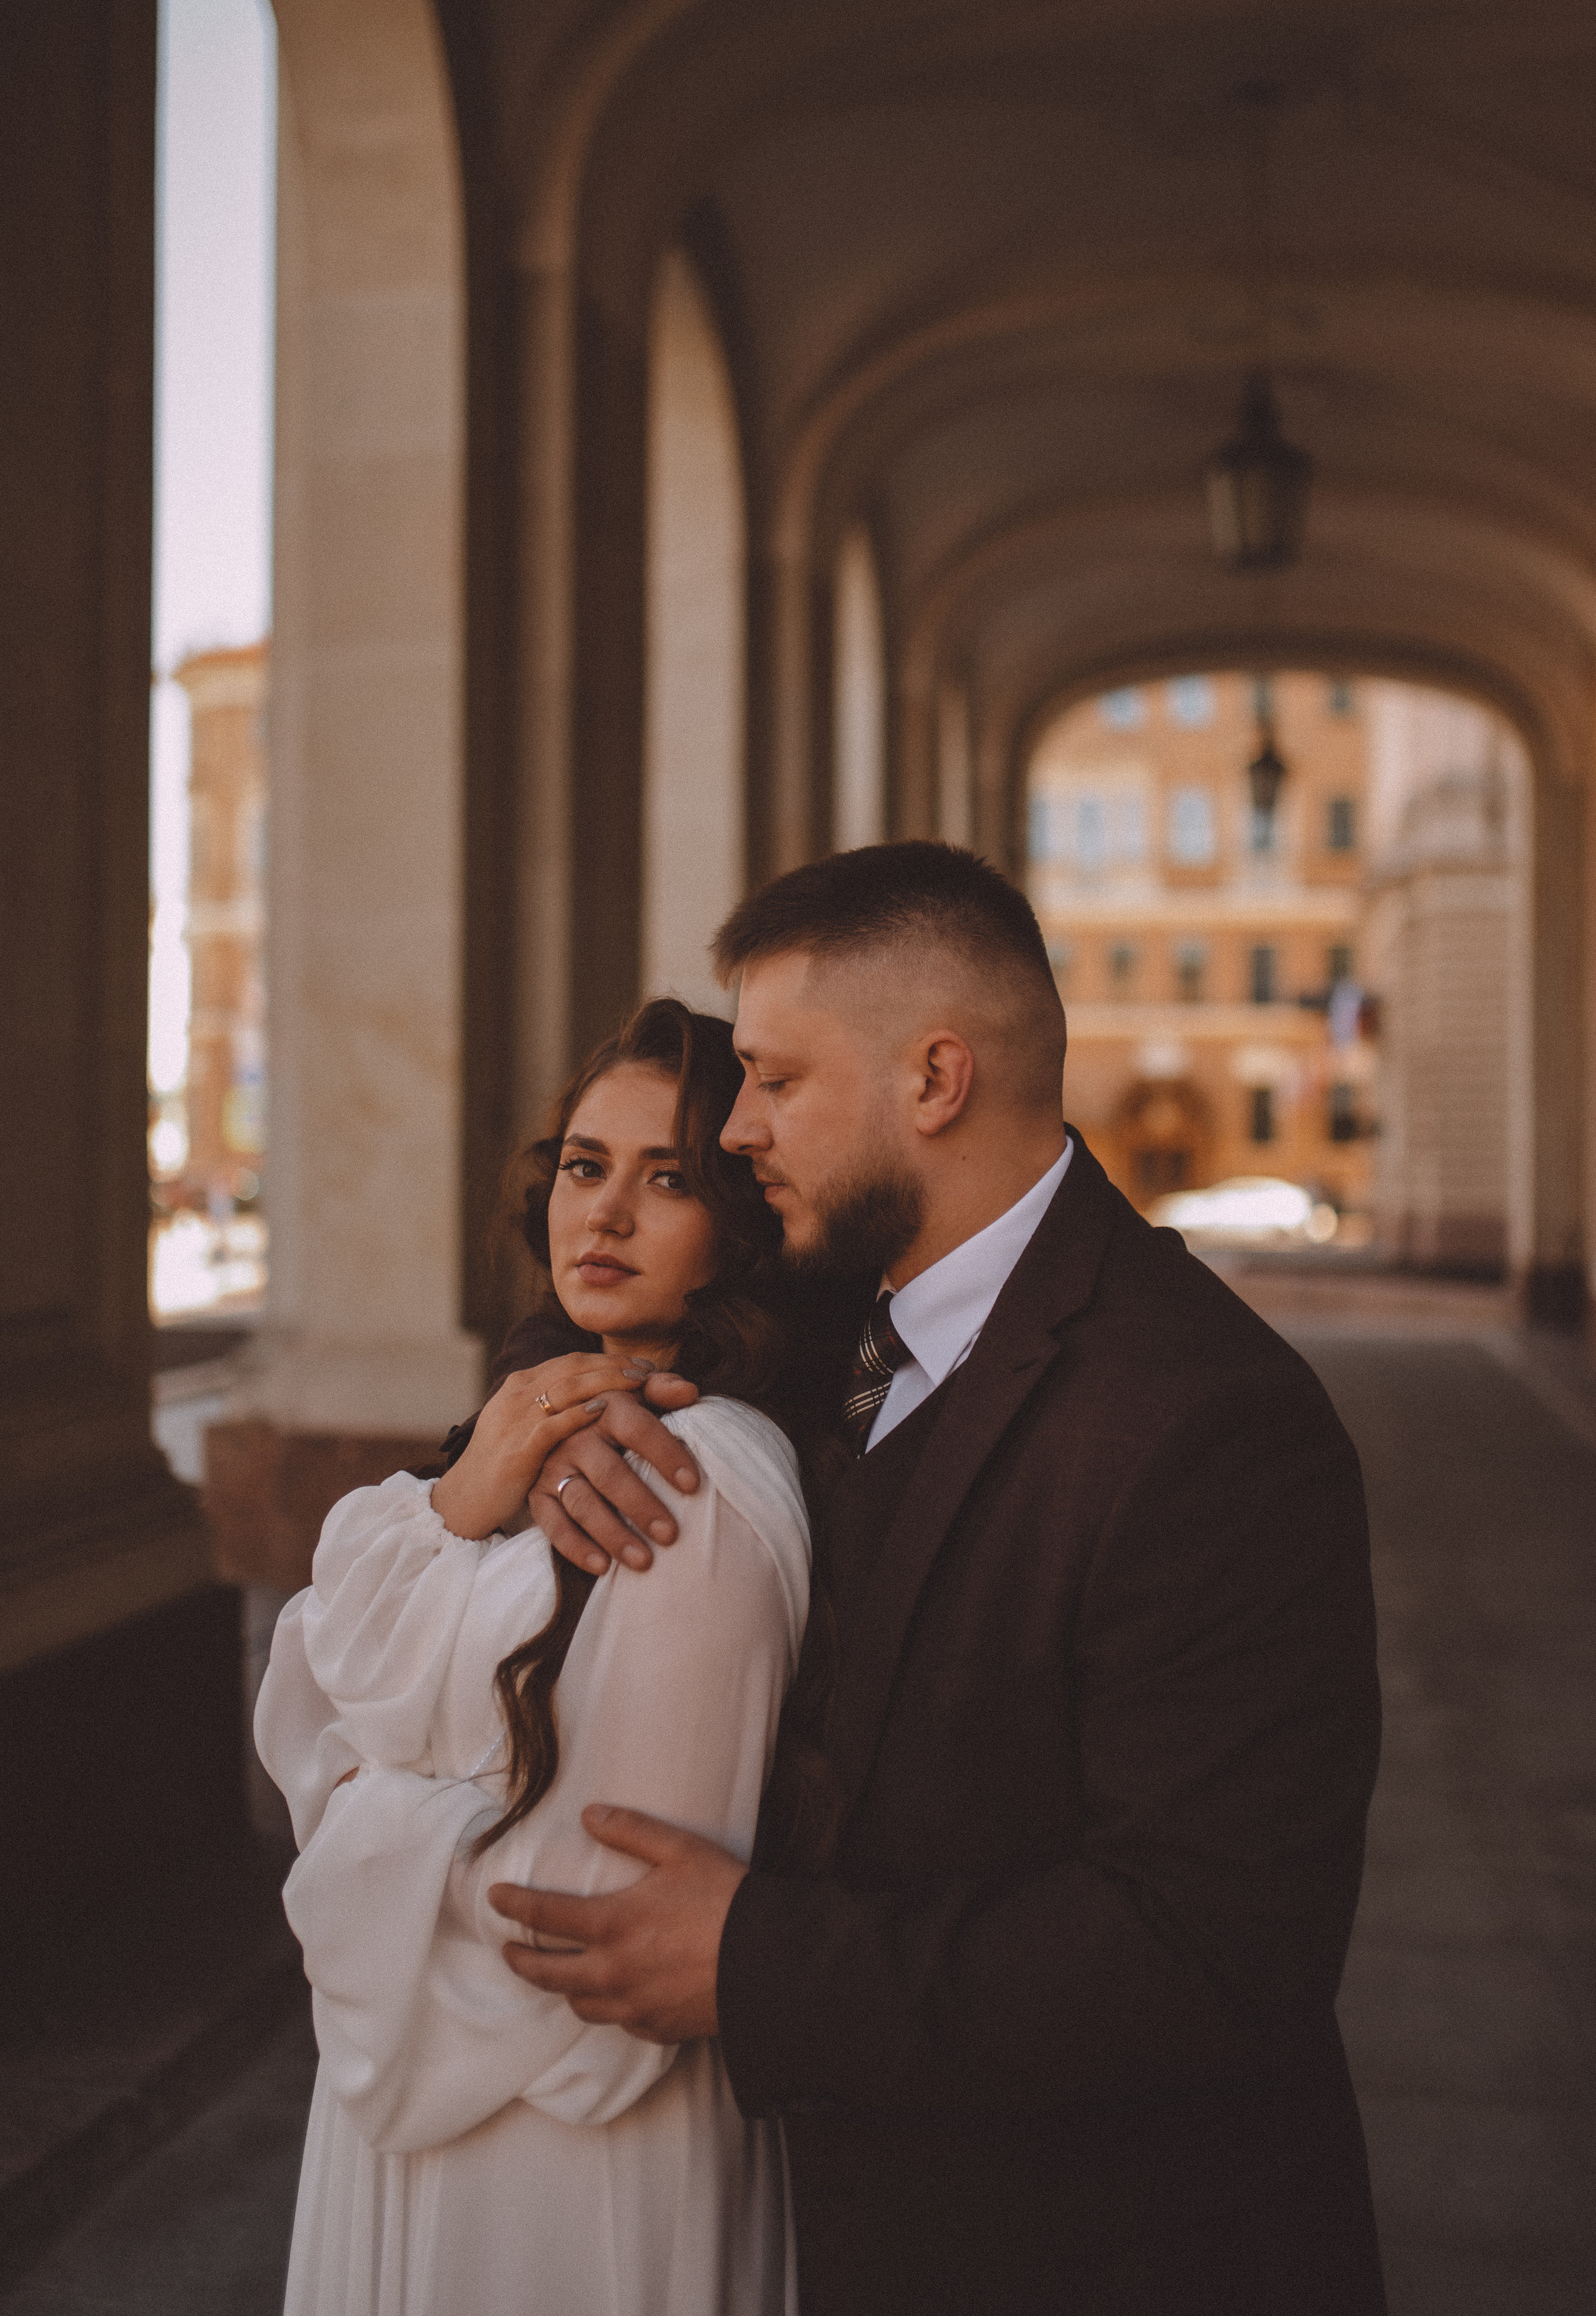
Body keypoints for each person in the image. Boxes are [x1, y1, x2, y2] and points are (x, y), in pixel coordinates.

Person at [484, 843, 1388, 2316]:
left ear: (934, 1081)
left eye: (774, 1083)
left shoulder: (1212, 1417)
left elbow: (1217, 1948)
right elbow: (612, 1291)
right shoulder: (843, 1292)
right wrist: (532, 1428)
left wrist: (757, 1963)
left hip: (1100, 2256)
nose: (740, 1137)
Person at [254, 1000, 833, 2316]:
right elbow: (323, 1666)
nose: (605, 1215)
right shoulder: (532, 1424)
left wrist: (351, 1814)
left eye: (668, 1178)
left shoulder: (692, 1484)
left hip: (569, 2147)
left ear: (739, 1224)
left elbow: (594, 1916)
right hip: (442, 2105)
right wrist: (465, 1496)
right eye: (585, 1165)